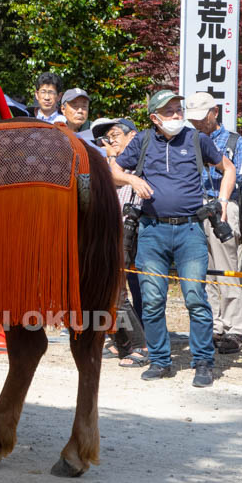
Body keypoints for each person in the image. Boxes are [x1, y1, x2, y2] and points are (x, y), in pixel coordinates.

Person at [111, 90, 236, 387]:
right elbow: (113, 171)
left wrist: (222, 201)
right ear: (154, 118)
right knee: (153, 300)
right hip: (151, 231)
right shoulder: (141, 141)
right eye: (169, 112)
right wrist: (132, 179)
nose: (177, 115)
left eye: (178, 109)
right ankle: (160, 360)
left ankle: (204, 362)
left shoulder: (196, 139)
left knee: (195, 298)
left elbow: (228, 168)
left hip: (191, 230)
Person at [186, 92, 242, 355]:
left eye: (202, 118)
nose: (198, 124)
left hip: (224, 205)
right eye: (194, 120)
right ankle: (213, 325)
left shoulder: (235, 141)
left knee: (227, 267)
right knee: (204, 269)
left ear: (215, 112)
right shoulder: (189, 139)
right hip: (195, 206)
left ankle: (234, 328)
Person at [92, 117, 147, 367]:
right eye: (107, 137)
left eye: (115, 135)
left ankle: (139, 345)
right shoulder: (107, 164)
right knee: (109, 291)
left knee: (119, 291)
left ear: (132, 137)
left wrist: (115, 164)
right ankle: (121, 342)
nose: (110, 141)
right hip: (106, 232)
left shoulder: (143, 163)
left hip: (132, 232)